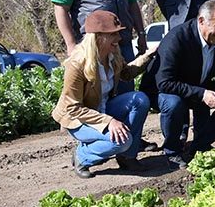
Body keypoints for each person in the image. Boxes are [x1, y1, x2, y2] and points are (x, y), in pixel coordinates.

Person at [52, 0, 156, 152]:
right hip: (93, 44)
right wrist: (70, 44)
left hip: (121, 40)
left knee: (127, 88)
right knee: (94, 95)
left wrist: (140, 34)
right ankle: (95, 140)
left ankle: (130, 142)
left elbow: (132, 3)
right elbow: (61, 8)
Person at [52, 10, 157, 179]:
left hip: (103, 108)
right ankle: (82, 156)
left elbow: (126, 73)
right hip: (79, 120)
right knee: (121, 141)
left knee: (140, 100)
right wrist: (109, 122)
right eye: (113, 35)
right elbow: (73, 108)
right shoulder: (77, 64)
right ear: (98, 37)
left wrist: (147, 56)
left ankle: (127, 156)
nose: (118, 39)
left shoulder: (112, 54)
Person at [155, 0, 215, 169]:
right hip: (170, 91)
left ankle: (199, 146)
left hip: (200, 86)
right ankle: (172, 151)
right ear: (201, 21)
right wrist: (202, 94)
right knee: (173, 104)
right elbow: (164, 82)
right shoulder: (177, 38)